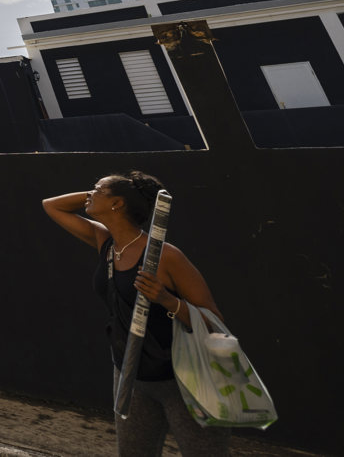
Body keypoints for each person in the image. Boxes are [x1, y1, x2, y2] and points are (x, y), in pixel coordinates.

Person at [43, 171, 231, 456]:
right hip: (131, 374)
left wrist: (166, 299)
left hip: (182, 379)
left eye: (97, 188)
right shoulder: (105, 241)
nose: (90, 193)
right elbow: (51, 205)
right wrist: (105, 194)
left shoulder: (167, 256)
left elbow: (213, 320)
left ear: (117, 204)